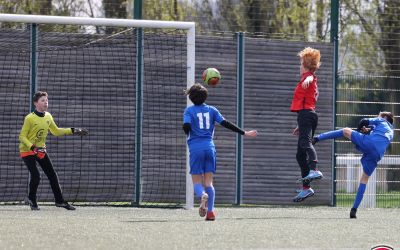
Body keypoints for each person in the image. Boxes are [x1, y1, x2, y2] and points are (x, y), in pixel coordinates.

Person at [183, 83, 257, 221]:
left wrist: (187, 129)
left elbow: (186, 127)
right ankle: (210, 212)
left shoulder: (189, 111)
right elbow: (226, 123)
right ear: (205, 97)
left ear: (191, 98)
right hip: (210, 148)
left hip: (196, 148)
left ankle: (202, 195)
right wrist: (244, 132)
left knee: (197, 182)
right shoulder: (212, 110)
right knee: (209, 182)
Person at [313, 111, 394, 218]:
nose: (377, 116)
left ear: (384, 117)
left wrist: (358, 131)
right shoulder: (391, 131)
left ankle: (316, 138)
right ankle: (354, 210)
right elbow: (378, 137)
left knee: (345, 130)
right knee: (364, 179)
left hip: (370, 144)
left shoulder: (381, 120)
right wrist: (366, 132)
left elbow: (363, 121)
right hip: (377, 154)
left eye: (379, 115)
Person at [19, 91, 88, 210]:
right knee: (36, 176)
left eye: (46, 100)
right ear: (35, 103)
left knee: (52, 175)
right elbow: (22, 137)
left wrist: (72, 130)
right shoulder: (29, 118)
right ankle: (32, 199)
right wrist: (33, 147)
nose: (46, 102)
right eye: (42, 100)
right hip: (27, 151)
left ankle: (60, 201)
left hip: (40, 151)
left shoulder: (48, 116)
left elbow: (56, 131)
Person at [290, 47, 323, 202]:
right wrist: (301, 124)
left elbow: (309, 80)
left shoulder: (308, 77)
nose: (299, 66)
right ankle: (306, 188)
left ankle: (315, 169)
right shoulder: (310, 79)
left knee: (305, 142)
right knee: (300, 155)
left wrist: (308, 78)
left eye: (301, 63)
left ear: (306, 65)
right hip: (306, 116)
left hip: (306, 115)